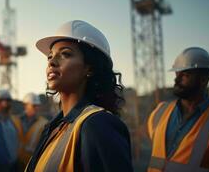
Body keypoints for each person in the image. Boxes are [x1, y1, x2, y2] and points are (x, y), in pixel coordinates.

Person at [25, 20, 133, 172]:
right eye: (50, 56)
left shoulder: (98, 125)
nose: (52, 62)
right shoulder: (54, 126)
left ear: (89, 68)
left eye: (65, 54)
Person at [147, 47, 209, 172]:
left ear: (203, 80)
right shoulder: (160, 111)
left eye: (185, 75)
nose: (176, 79)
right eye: (177, 74)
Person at [0, 89, 23, 171]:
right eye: (1, 101)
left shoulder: (14, 121)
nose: (5, 104)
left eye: (7, 101)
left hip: (14, 165)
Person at [18, 93, 48, 169]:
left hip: (33, 163)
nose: (36, 108)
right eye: (34, 105)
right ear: (25, 105)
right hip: (17, 162)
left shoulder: (44, 123)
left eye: (38, 106)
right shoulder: (16, 121)